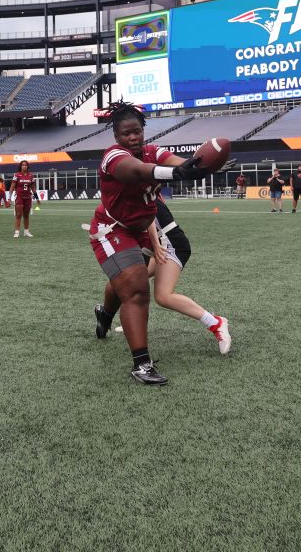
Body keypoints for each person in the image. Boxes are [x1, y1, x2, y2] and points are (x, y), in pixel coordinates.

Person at [86, 100, 212, 385]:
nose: (132, 138)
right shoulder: (113, 157)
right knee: (137, 288)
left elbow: (178, 164)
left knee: (126, 284)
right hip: (111, 229)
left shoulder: (154, 151)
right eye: (125, 134)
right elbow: (139, 171)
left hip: (142, 229)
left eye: (136, 132)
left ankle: (105, 313)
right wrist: (179, 173)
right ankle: (142, 364)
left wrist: (201, 166)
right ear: (116, 137)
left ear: (143, 130)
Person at [98, 198, 231, 354]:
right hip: (156, 243)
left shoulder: (135, 186)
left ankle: (216, 323)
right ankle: (114, 317)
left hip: (170, 244)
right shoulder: (129, 187)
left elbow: (147, 218)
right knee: (124, 279)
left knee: (163, 296)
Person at [11, 161, 34, 238]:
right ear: (20, 166)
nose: (24, 166)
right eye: (23, 165)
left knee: (26, 215)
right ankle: (17, 232)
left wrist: (37, 198)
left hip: (28, 197)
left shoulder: (31, 176)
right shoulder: (16, 175)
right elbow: (12, 187)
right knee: (18, 214)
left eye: (26, 165)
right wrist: (8, 198)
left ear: (28, 166)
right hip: (19, 197)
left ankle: (26, 231)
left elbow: (33, 188)